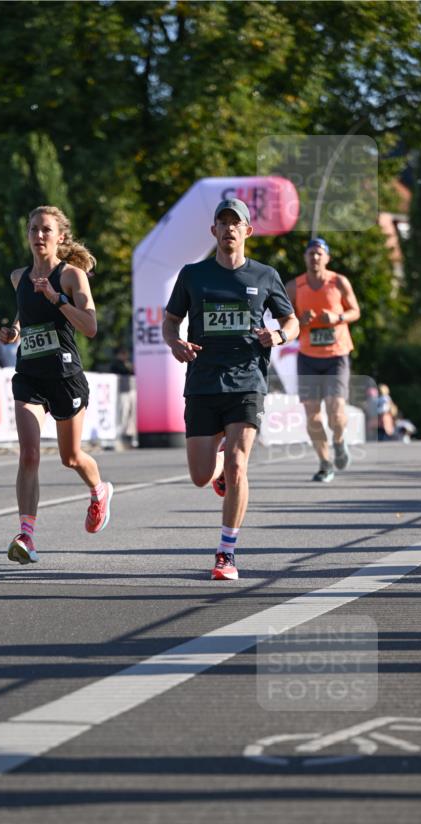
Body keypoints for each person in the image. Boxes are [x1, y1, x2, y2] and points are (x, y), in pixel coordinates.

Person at [163, 198, 298, 581]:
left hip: (247, 381)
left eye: (235, 223)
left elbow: (292, 320)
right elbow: (171, 320)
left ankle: (226, 552)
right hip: (203, 383)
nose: (228, 229)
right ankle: (218, 469)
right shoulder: (193, 275)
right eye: (221, 223)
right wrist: (175, 343)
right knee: (200, 477)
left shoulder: (264, 275)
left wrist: (279, 334)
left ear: (247, 231)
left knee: (239, 462)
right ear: (214, 232)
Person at [0, 204, 113, 565]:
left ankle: (99, 491)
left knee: (70, 457)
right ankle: (26, 536)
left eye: (46, 230)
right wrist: (13, 331)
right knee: (29, 453)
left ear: (60, 237)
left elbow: (90, 327)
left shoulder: (71, 276)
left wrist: (58, 299)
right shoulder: (19, 277)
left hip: (65, 377)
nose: (38, 236)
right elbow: (24, 312)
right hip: (29, 374)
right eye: (33, 229)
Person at [286, 238, 361, 483]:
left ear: (327, 258)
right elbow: (283, 319)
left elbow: (356, 311)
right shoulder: (294, 287)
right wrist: (300, 320)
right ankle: (325, 462)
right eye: (310, 254)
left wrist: (338, 316)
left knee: (335, 410)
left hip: (336, 355)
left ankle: (339, 442)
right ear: (305, 258)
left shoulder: (338, 281)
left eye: (319, 253)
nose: (315, 258)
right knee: (312, 414)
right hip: (308, 357)